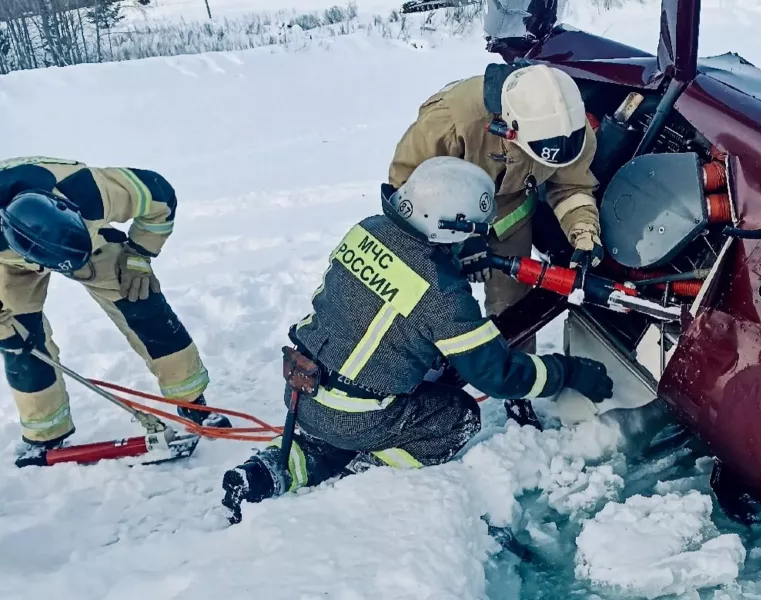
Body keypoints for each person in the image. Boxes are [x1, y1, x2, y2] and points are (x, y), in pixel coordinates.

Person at [220, 157, 613, 524]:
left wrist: (451, 257)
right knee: (456, 415)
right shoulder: (442, 295)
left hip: (302, 390)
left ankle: (270, 471)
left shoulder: (368, 229)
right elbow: (499, 376)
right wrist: (569, 372)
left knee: (349, 416)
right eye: (473, 232)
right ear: (449, 230)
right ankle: (365, 468)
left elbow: (393, 290)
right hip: (356, 413)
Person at [387, 62, 604, 431]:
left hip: (509, 209)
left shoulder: (571, 130)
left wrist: (584, 234)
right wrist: (463, 240)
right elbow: (405, 185)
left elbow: (571, 186)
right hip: (438, 211)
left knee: (513, 305)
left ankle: (516, 392)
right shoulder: (452, 120)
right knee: (431, 301)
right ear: (509, 127)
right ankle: (410, 378)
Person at [0, 156, 231, 467]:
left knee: (141, 301)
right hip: (7, 262)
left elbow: (160, 196)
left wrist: (138, 255)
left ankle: (192, 401)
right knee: (19, 342)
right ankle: (46, 432)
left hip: (88, 243)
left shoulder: (91, 191)